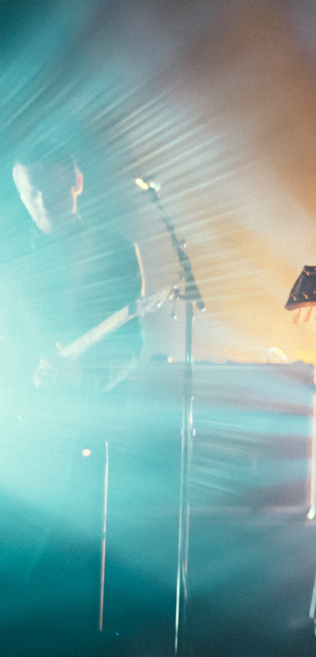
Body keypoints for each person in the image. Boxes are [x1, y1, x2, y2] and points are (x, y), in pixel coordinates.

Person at [0, 141, 145, 655]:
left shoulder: (114, 249)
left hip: (85, 451)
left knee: (72, 595)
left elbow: (132, 348)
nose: (39, 201)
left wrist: (84, 379)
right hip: (17, 450)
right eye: (28, 192)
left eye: (49, 189)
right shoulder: (10, 261)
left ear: (76, 182)